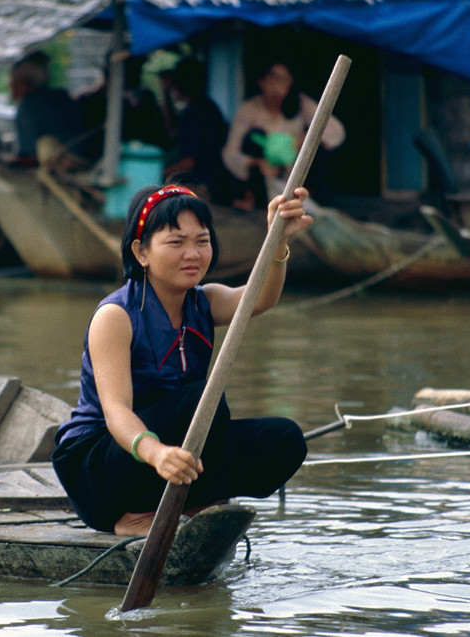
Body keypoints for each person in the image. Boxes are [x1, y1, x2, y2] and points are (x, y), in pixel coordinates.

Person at [51, 179, 311, 536]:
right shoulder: (116, 316)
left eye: (201, 241)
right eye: (176, 242)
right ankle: (135, 516)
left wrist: (278, 240)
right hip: (99, 470)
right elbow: (116, 412)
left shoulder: (205, 302)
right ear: (141, 252)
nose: (193, 254)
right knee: (201, 400)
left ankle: (192, 506)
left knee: (284, 439)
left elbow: (260, 297)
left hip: (170, 453)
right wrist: (157, 453)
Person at [222, 61, 345, 210]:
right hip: (264, 173)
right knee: (254, 136)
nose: (275, 87)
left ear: (290, 82)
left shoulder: (301, 104)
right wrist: (255, 162)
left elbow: (336, 131)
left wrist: (303, 139)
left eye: (282, 80)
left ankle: (308, 196)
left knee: (320, 144)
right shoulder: (250, 109)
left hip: (294, 171)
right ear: (261, 82)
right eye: (271, 80)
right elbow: (230, 152)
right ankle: (250, 198)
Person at [161, 58, 233, 205]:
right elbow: (173, 131)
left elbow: (188, 163)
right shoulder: (209, 107)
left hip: (203, 187)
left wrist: (157, 172)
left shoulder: (194, 114)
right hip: (220, 184)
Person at [9, 53, 82, 166]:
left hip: (58, 164)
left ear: (25, 82)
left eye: (13, 80)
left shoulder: (29, 104)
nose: (10, 85)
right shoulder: (61, 96)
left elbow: (30, 154)